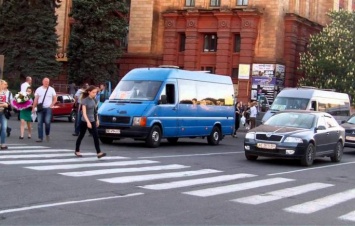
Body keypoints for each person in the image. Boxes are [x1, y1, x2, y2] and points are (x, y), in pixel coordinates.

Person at [75, 85, 106, 159]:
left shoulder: (94, 100)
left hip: (92, 120)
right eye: (93, 92)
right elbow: (84, 113)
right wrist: (88, 122)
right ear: (89, 92)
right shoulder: (84, 100)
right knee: (81, 135)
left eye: (95, 92)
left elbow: (95, 111)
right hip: (84, 121)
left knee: (96, 136)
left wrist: (97, 119)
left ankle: (98, 153)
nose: (94, 94)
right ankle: (77, 150)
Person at [32, 77, 57, 142]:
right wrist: (33, 108)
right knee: (39, 123)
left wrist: (51, 106)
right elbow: (36, 99)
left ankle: (47, 134)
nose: (46, 83)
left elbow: (55, 99)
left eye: (47, 82)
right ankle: (40, 137)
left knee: (47, 122)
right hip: (40, 108)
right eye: (45, 82)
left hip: (48, 108)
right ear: (42, 82)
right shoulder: (38, 89)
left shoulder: (51, 89)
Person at [0, 79, 11, 150]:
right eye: (4, 84)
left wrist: (6, 104)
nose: (5, 85)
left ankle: (3, 143)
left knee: (4, 128)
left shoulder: (6, 93)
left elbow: (8, 102)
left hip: (3, 111)